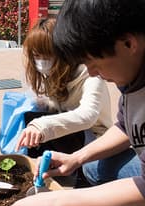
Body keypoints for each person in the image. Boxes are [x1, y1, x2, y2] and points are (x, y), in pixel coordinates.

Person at [6, 0, 145, 206]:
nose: (92, 74)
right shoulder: (140, 57)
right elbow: (127, 126)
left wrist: (56, 202)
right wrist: (76, 158)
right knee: (92, 166)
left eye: (93, 62)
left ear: (127, 43)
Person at [15, 18, 112, 159]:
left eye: (48, 55)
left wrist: (41, 125)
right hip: (70, 138)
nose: (42, 61)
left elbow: (88, 116)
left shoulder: (90, 75)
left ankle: (76, 172)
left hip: (95, 138)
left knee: (43, 125)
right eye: (37, 55)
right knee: (30, 118)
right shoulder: (50, 75)